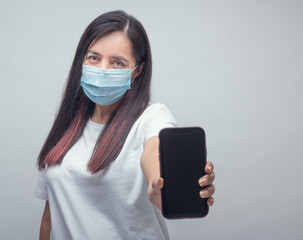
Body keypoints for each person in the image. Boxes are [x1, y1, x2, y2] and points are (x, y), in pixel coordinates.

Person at [34, 10, 215, 240]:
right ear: (82, 60)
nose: (102, 69)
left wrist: (158, 186)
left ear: (137, 71)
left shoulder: (150, 118)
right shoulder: (67, 127)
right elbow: (51, 216)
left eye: (117, 62)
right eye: (94, 58)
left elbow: (154, 150)